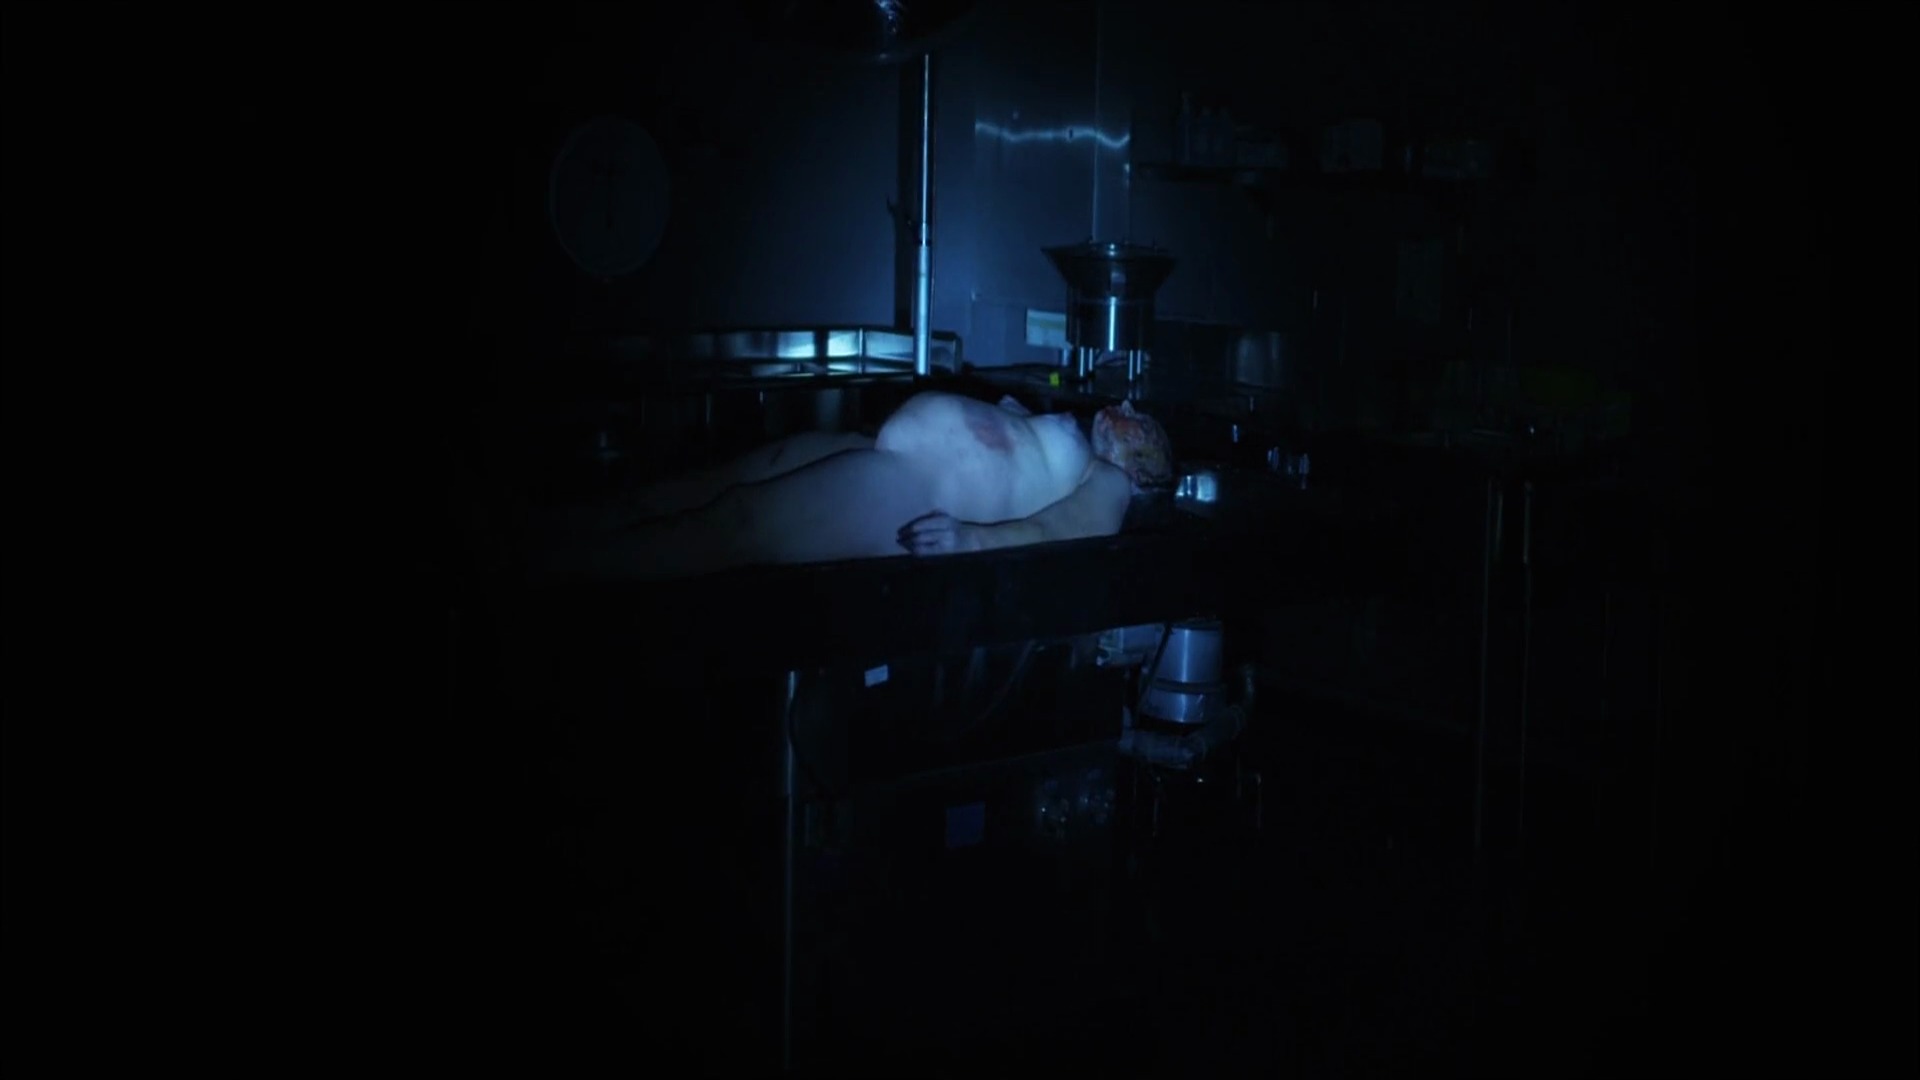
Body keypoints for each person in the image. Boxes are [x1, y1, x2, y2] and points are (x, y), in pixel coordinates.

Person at [601, 391, 1173, 579]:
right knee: (719, 484)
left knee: (739, 520)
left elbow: (1061, 530)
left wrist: (972, 540)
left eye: (1140, 423)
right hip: (884, 451)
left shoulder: (1111, 484)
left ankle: (575, 572)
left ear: (1144, 470)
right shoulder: (1074, 442)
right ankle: (579, 527)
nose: (1126, 407)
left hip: (912, 493)